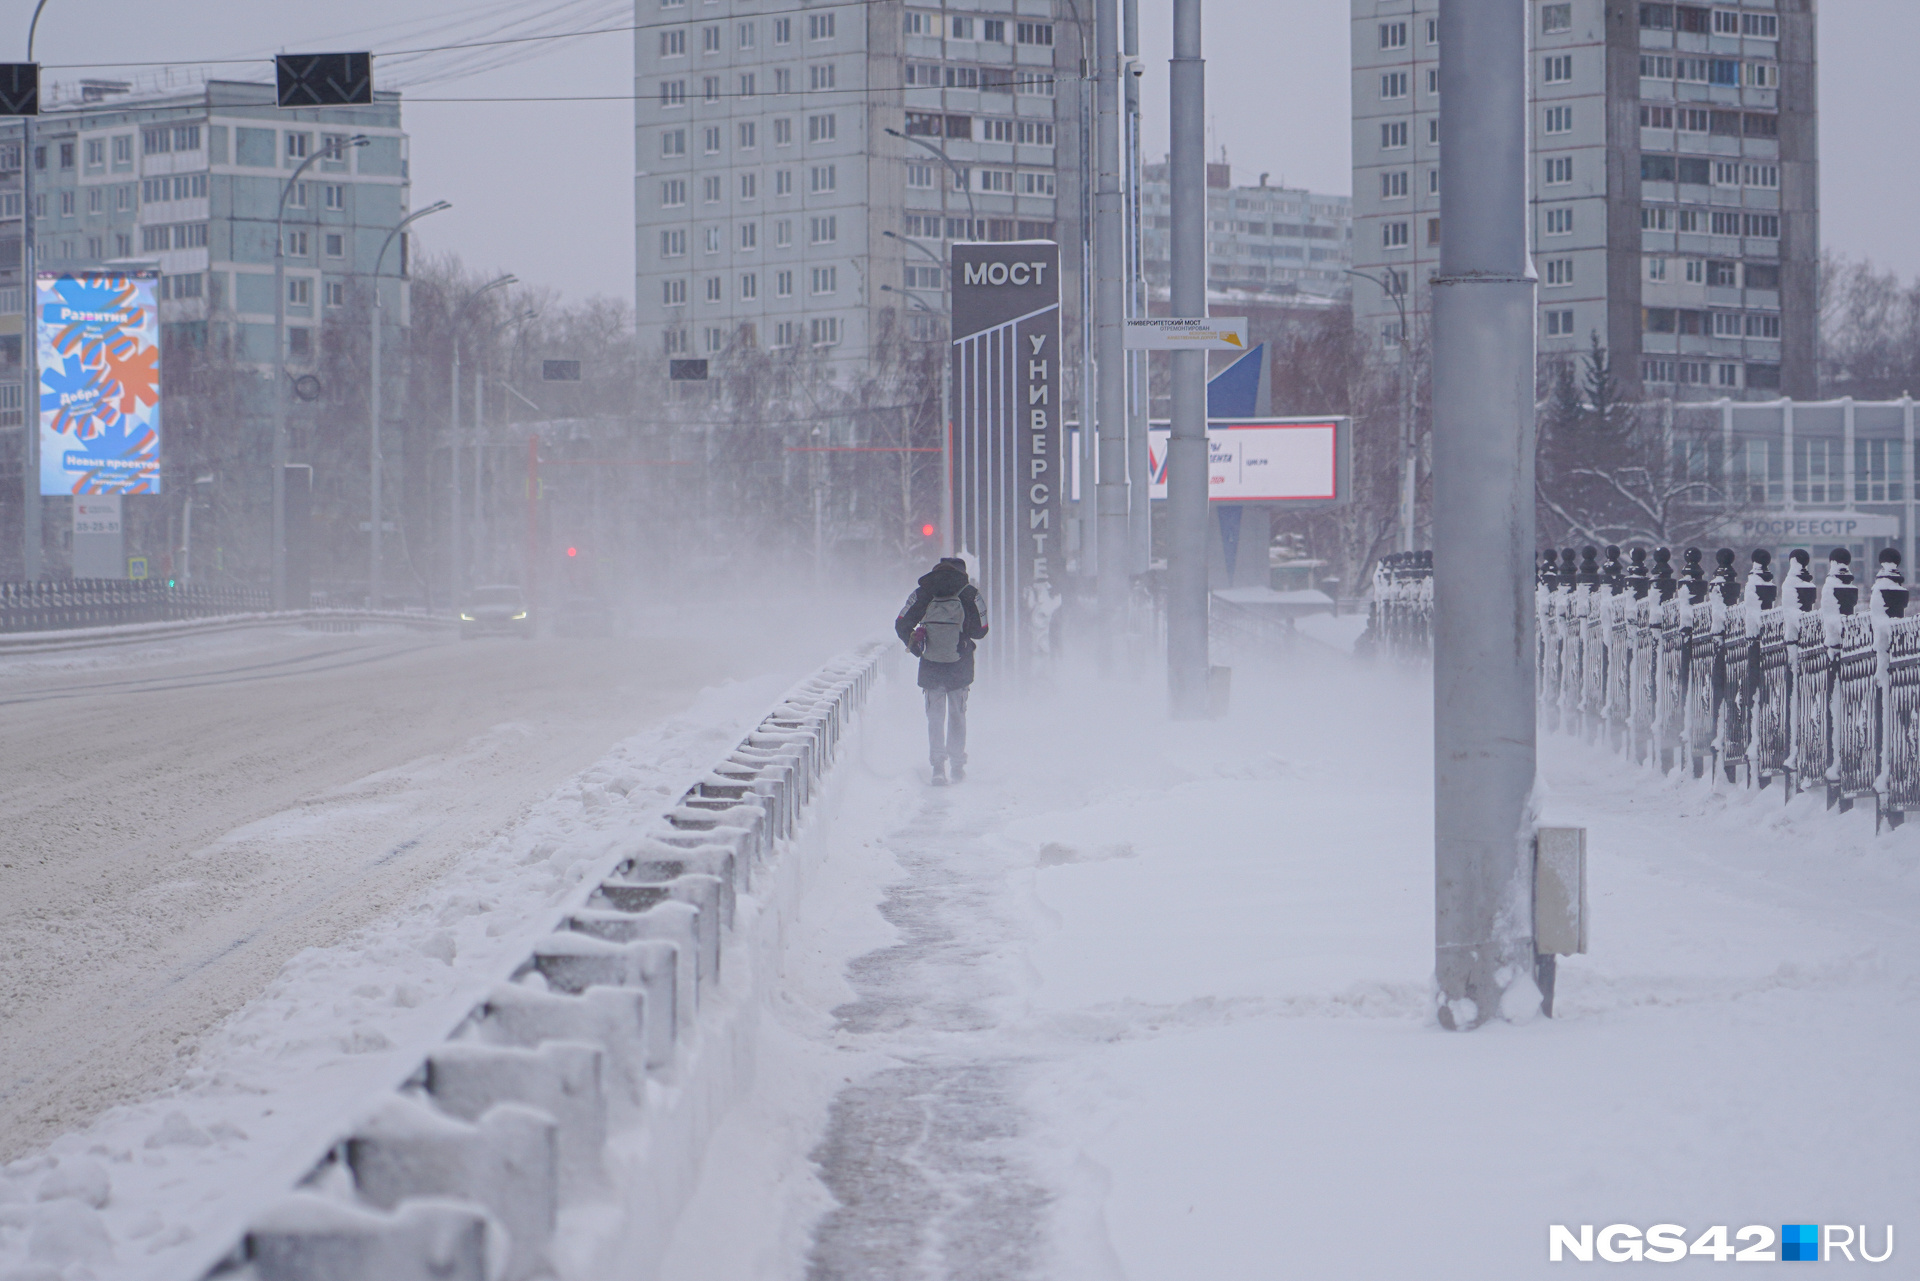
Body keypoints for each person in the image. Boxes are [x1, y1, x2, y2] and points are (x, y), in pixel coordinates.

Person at [894, 556, 988, 785]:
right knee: (957, 714)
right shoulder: (969, 593)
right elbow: (981, 630)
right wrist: (961, 635)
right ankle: (957, 766)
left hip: (931, 664)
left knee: (935, 718)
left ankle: (938, 767)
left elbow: (901, 623)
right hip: (960, 663)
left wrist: (917, 645)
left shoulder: (925, 591)